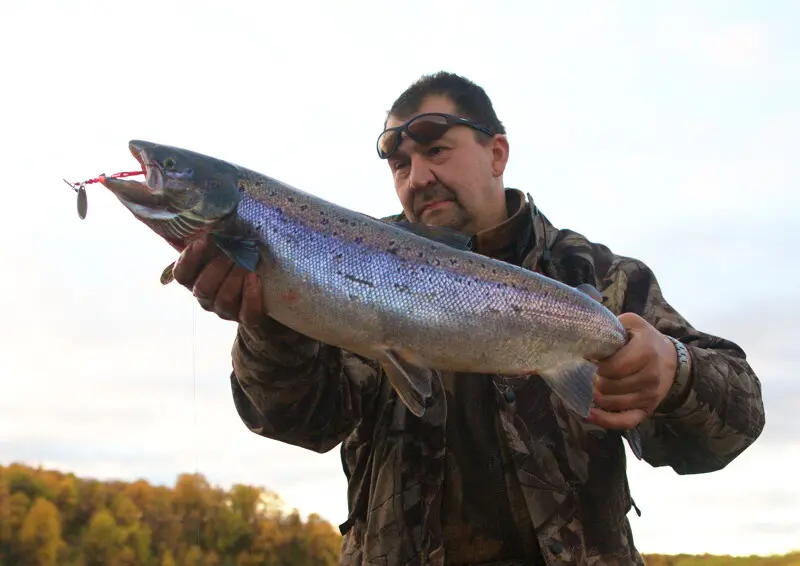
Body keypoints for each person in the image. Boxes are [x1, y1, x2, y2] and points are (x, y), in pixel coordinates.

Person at [170, 72, 766, 565]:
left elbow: (730, 428)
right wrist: (268, 317)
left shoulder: (604, 279)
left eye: (436, 150)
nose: (418, 176)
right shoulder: (349, 275)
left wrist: (676, 370)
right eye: (399, 164)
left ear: (497, 151)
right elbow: (301, 421)